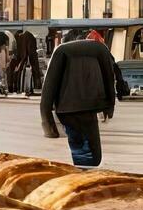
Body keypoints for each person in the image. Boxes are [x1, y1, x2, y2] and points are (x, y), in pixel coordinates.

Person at [40, 37, 121, 167]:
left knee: (80, 148)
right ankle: (86, 172)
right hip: (91, 106)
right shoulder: (100, 49)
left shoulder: (61, 51)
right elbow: (109, 79)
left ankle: (84, 170)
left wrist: (48, 125)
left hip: (67, 109)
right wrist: (109, 107)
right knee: (91, 152)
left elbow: (48, 88)